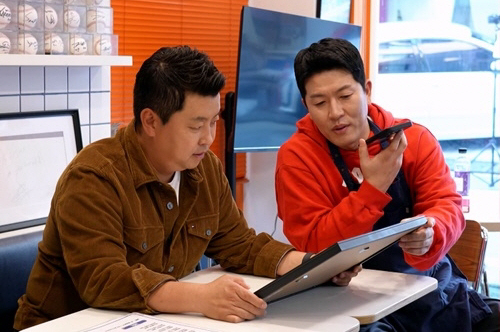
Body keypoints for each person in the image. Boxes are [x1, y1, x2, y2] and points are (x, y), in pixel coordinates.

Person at [13, 46, 360, 331]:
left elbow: (240, 245)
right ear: (150, 121)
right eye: (196, 126)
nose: (209, 138)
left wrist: (314, 265)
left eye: (213, 122)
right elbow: (104, 280)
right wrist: (202, 298)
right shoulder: (94, 177)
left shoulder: (203, 167)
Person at [275, 38, 499, 332]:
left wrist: (432, 232)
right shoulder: (297, 157)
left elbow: (447, 205)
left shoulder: (414, 139)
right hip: (347, 304)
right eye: (319, 102)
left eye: (345, 96)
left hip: (431, 291)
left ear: (366, 90)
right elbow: (316, 245)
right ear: (305, 105)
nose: (335, 113)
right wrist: (374, 188)